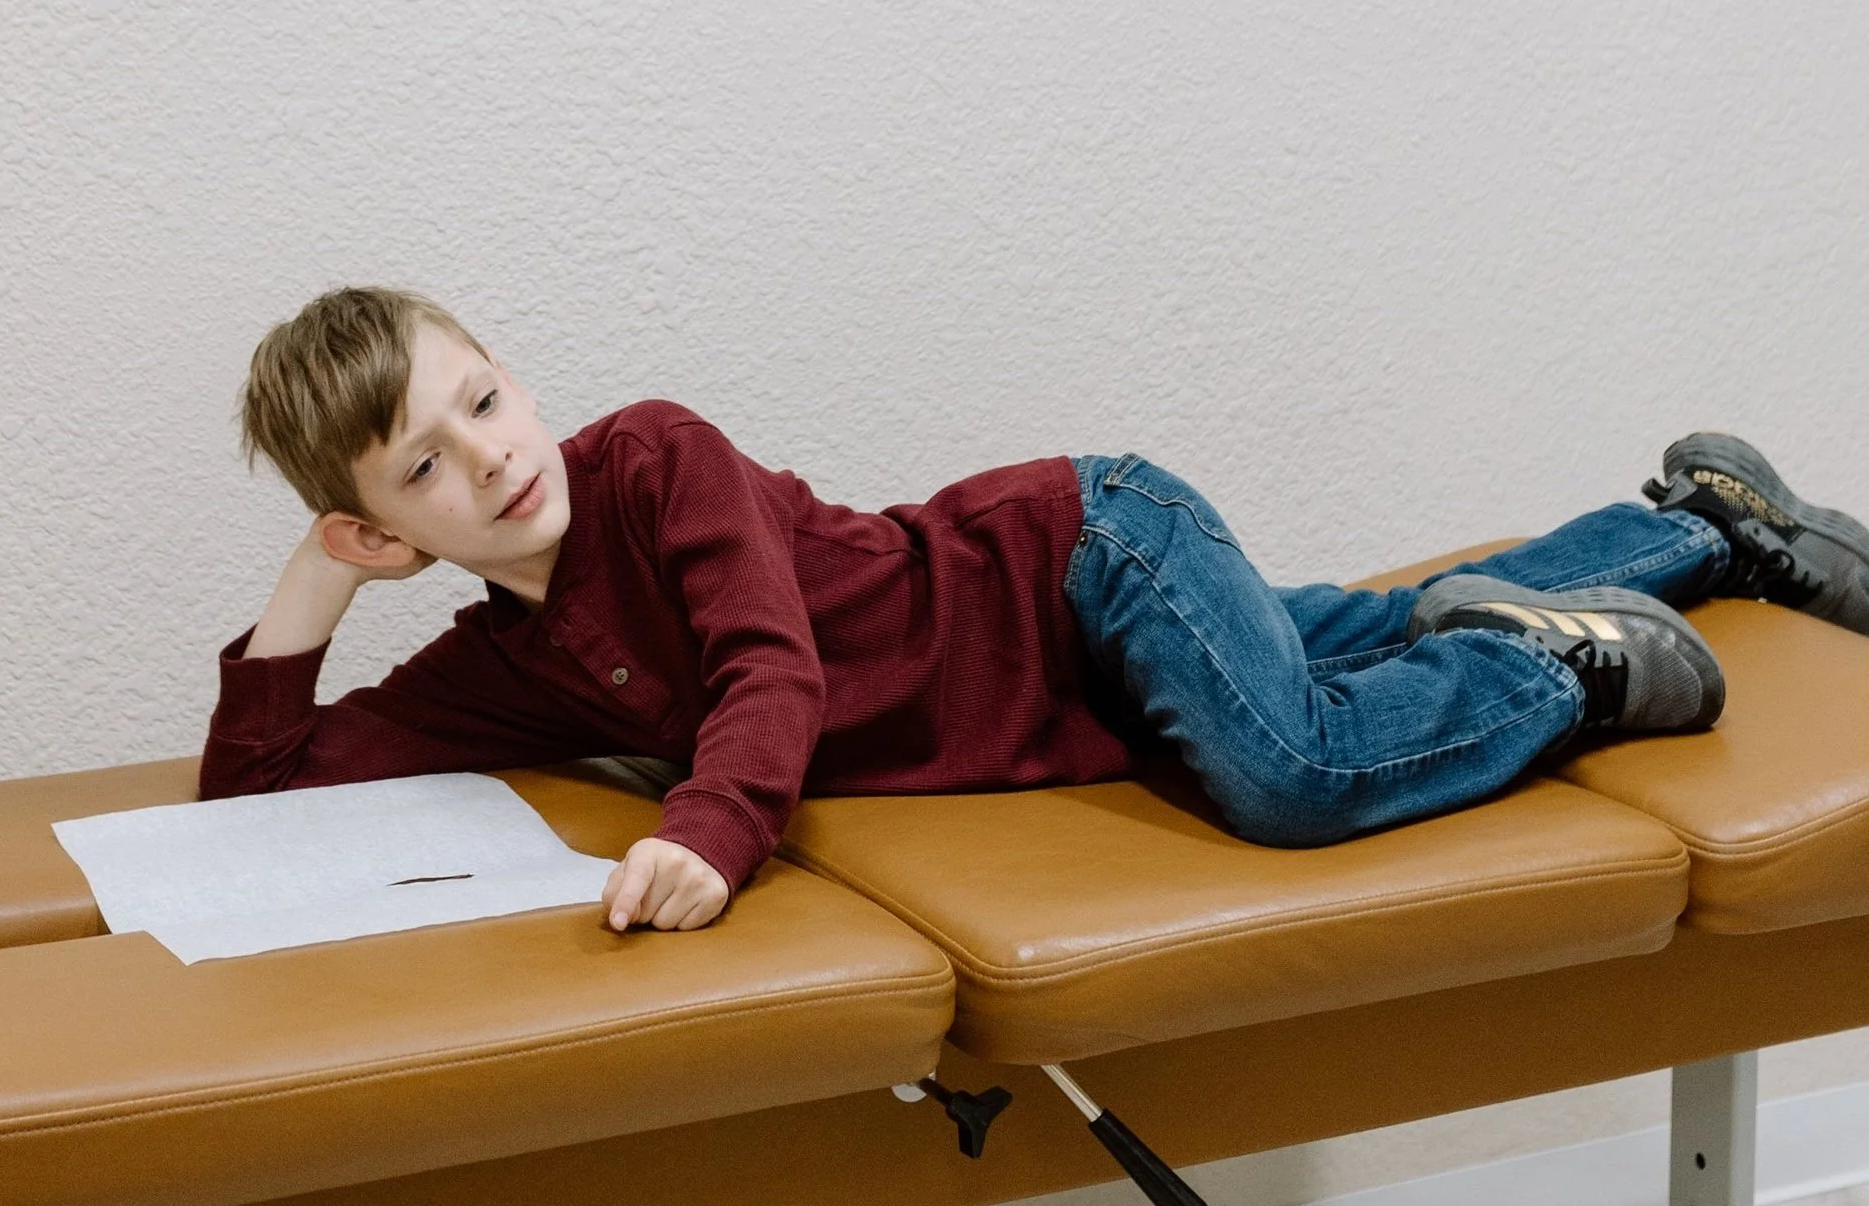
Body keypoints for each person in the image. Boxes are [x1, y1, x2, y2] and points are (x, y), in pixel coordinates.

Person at [207, 287, 1869, 934]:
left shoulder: (652, 459)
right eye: (426, 469)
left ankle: (1562, 674)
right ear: (383, 527)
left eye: (484, 400)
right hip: (1072, 692)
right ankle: (1703, 523)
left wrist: (715, 832)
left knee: (1291, 768)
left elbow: (766, 671)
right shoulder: (499, 662)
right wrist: (309, 585)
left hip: (1083, 556)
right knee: (1370, 630)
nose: (492, 461)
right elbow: (261, 800)